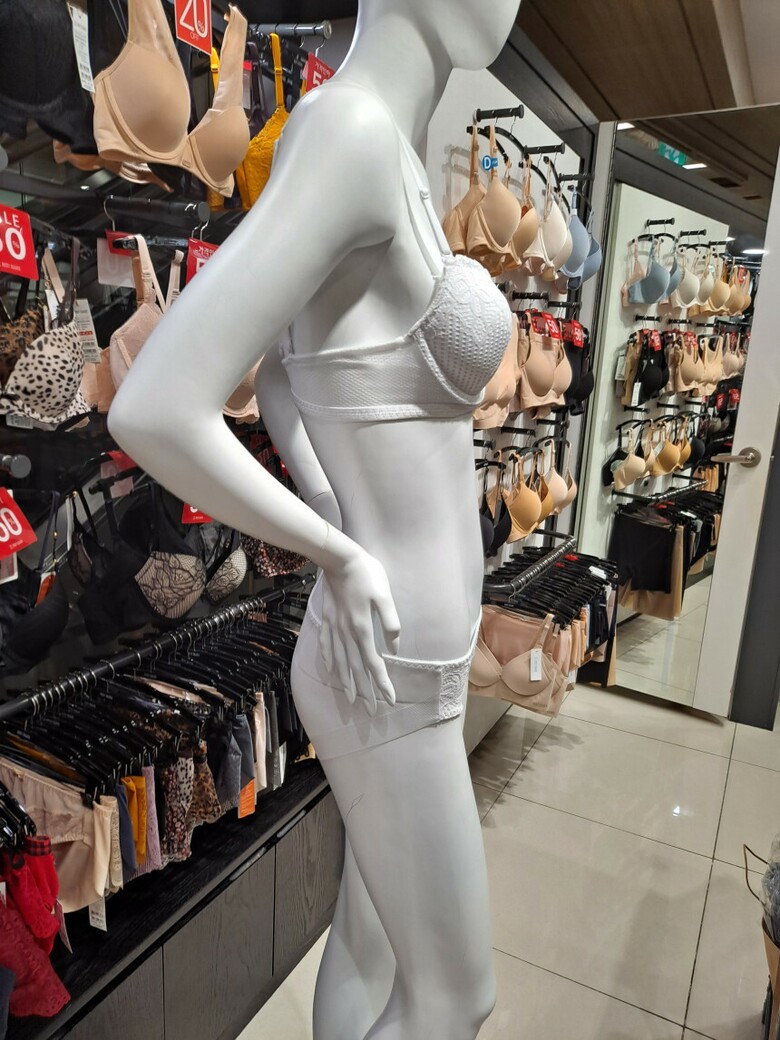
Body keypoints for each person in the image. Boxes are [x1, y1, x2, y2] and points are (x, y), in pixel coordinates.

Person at [109, 2, 522, 1036]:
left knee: (371, 936)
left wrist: (338, 513)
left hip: (401, 648)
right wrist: (338, 550)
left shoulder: (388, 145)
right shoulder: (349, 134)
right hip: (393, 666)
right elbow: (155, 406)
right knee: (454, 996)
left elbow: (290, 370)